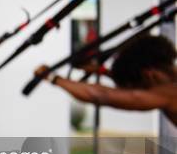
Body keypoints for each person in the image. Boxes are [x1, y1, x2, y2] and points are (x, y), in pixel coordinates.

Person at [35, 34, 177, 126]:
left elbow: (102, 95)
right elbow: (134, 88)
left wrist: (53, 78)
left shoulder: (169, 92)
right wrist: (101, 70)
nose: (144, 90)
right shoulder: (169, 83)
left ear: (148, 75)